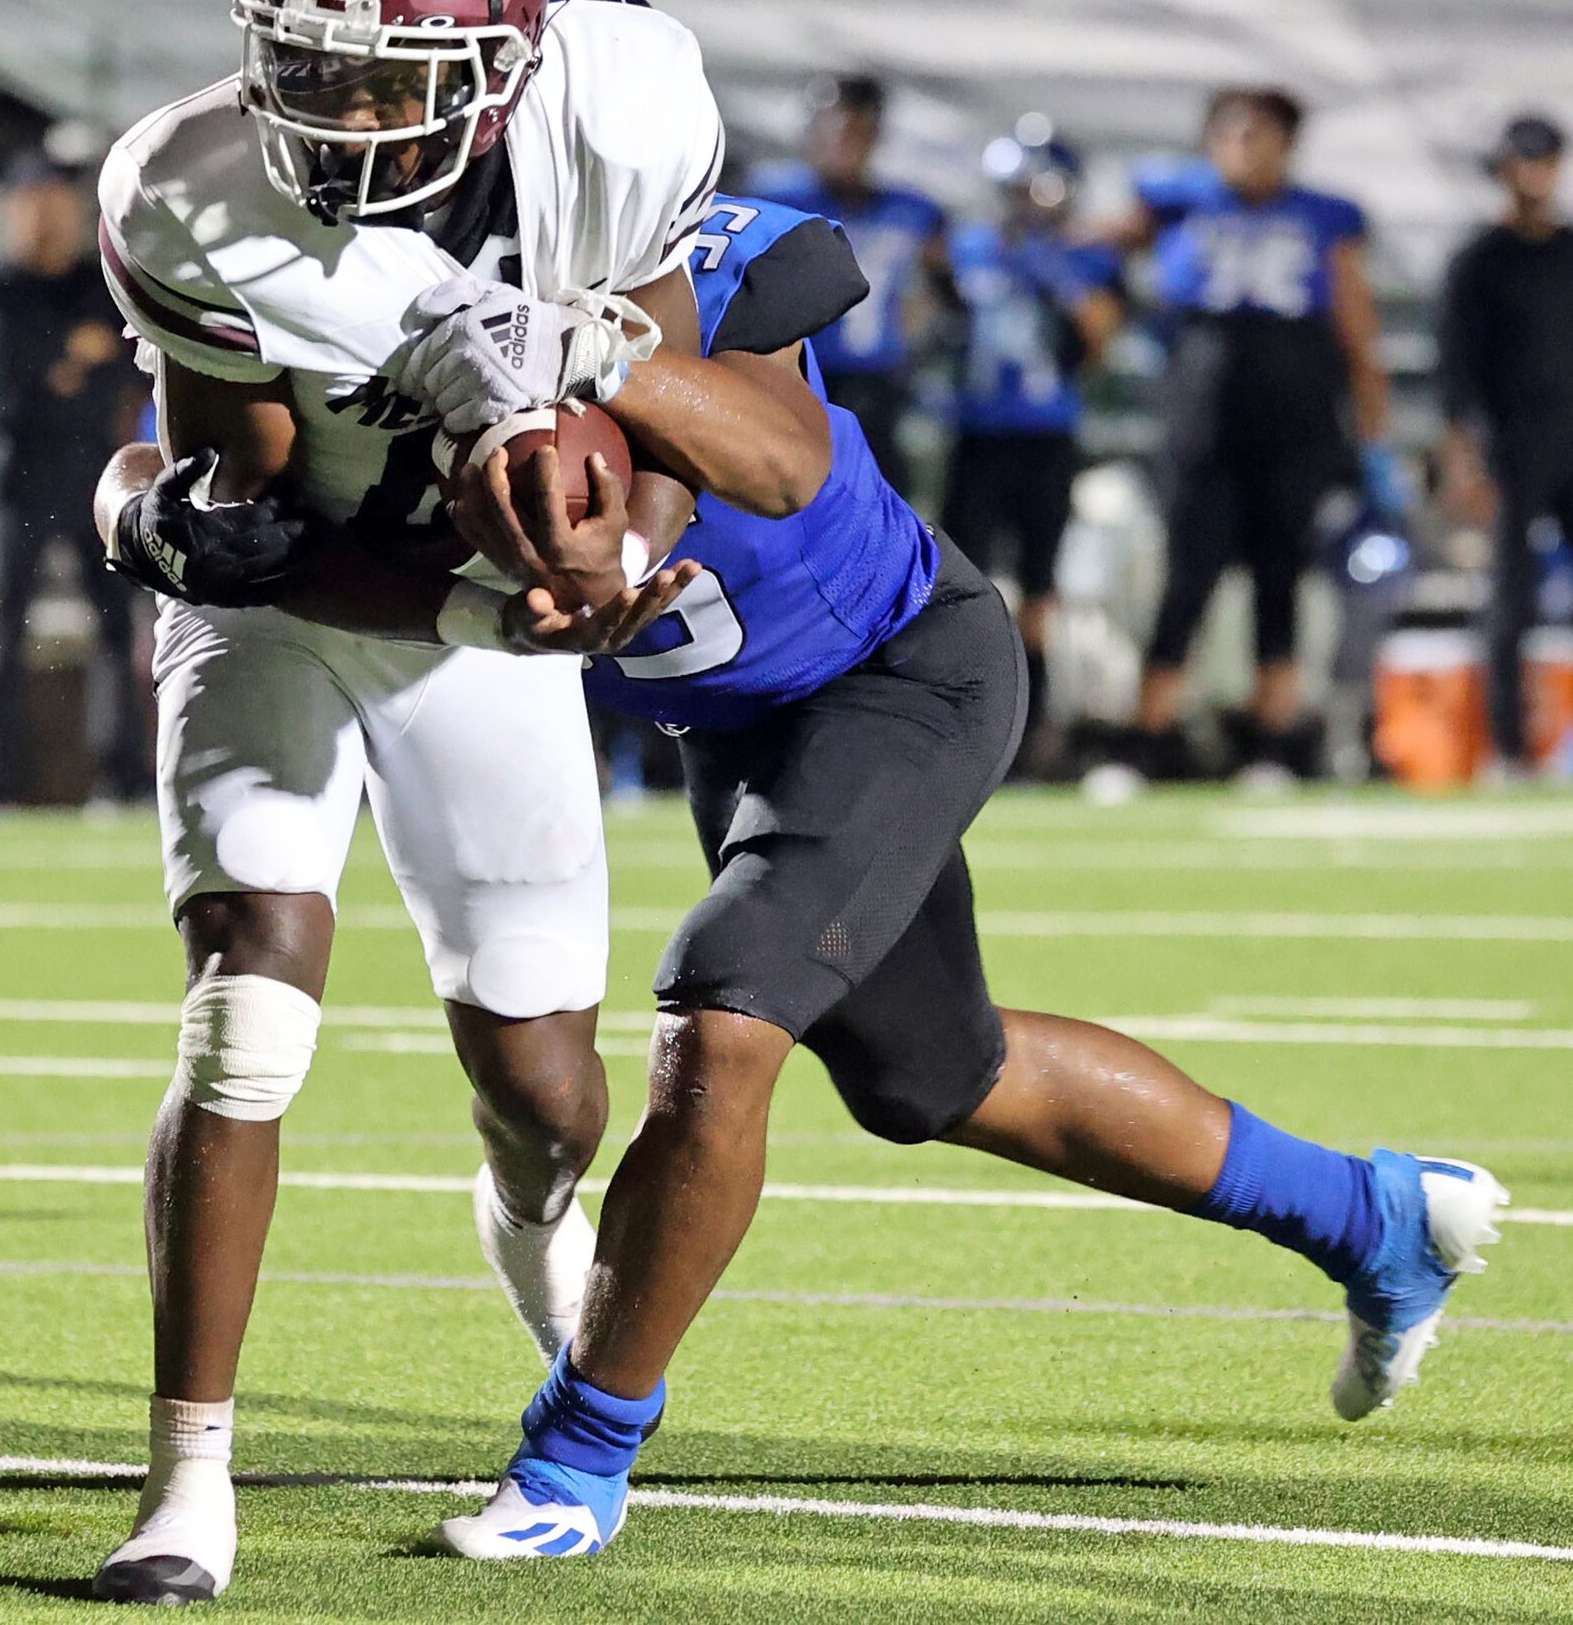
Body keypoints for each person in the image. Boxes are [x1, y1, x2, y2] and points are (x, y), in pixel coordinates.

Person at [422, 190, 1508, 1559]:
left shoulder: (674, 257)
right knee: (933, 1074)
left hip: (897, 668)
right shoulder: (422, 302)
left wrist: (600, 381)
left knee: (723, 1011)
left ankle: (577, 1457)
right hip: (746, 726)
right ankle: (1368, 1213)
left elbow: (778, 428)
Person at [82, 0, 803, 1603]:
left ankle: (531, 1207)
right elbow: (252, 528)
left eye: (374, 69)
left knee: (551, 1098)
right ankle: (187, 1478)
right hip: (309, 595)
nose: (324, 105)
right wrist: (153, 514)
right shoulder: (189, 185)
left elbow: (660, 411)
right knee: (250, 995)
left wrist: (613, 553)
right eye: (300, 57)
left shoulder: (624, 104)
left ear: (506, 60)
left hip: (481, 637)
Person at [1114, 88, 1399, 783]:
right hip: (1206, 422)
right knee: (1188, 581)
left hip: (1294, 424)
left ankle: (1274, 743)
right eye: (1233, 132)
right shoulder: (1178, 202)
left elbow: (1357, 326)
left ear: (1288, 143)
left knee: (1282, 579)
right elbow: (1101, 245)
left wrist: (1374, 428)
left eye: (1260, 133)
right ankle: (1147, 742)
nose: (1245, 145)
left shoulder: (1323, 218)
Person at [941, 120, 1123, 767]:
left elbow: (1100, 343)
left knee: (1040, 592)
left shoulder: (1083, 259)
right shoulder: (969, 249)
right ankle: (960, 715)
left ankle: (1031, 731)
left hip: (1046, 437)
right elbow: (929, 323)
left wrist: (1060, 280)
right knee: (963, 581)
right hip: (979, 433)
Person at [0, 154, 147, 804]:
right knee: (3, 632)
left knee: (114, 627)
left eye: (56, 202)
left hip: (94, 473)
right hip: (19, 477)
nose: (47, 217)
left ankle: (122, 775)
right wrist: (77, 360)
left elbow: (129, 367)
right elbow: (14, 386)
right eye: (33, 202)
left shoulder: (95, 283)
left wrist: (71, 367)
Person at [1436, 113, 1573, 775]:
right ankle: (1510, 750)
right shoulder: (1479, 261)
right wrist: (1464, 457)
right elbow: (1456, 371)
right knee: (1510, 596)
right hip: (1513, 443)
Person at [754, 74, 943, 500]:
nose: (840, 143)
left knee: (882, 500)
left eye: (854, 130)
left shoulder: (914, 210)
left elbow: (941, 293)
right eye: (832, 129)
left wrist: (916, 342)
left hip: (877, 381)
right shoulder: (776, 197)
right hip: (798, 374)